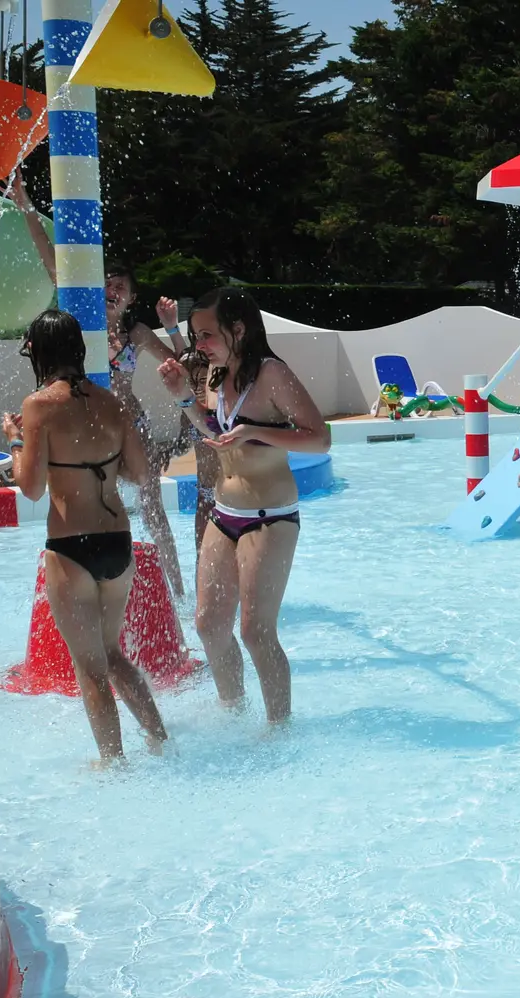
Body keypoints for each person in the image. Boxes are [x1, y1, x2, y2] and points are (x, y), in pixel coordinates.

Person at [7, 174, 191, 597]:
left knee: (154, 512)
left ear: (131, 299)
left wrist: (171, 328)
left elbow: (184, 365)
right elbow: (53, 263)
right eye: (108, 282)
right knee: (84, 504)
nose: (114, 289)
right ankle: (88, 581)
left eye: (122, 287)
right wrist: (26, 205)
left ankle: (175, 592)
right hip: (81, 427)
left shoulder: (136, 334)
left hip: (129, 426)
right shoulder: (81, 321)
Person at [158, 288, 329, 728]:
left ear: (238, 329)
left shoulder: (272, 374)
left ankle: (278, 729)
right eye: (195, 336)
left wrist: (257, 432)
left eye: (207, 335)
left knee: (255, 631)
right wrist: (183, 397)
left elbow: (319, 438)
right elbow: (216, 430)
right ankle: (232, 713)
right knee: (209, 625)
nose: (200, 345)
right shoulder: (218, 373)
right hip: (224, 512)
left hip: (269, 517)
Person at [4, 310, 169, 764]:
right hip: (118, 543)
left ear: (37, 351)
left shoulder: (38, 405)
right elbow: (141, 473)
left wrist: (15, 440)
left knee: (90, 668)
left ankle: (112, 765)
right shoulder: (112, 402)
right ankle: (161, 741)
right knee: (113, 653)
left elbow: (31, 487)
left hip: (71, 546)